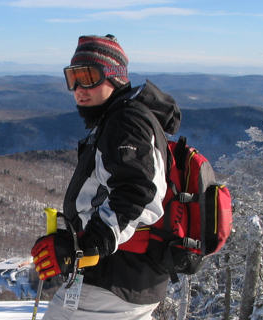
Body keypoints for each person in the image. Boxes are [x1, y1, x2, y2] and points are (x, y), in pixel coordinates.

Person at [31, 34, 181, 319]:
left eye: (88, 76)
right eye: (72, 77)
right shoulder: (117, 119)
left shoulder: (125, 122)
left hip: (114, 279)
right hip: (129, 278)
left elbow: (138, 192)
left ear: (114, 77)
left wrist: (86, 246)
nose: (78, 88)